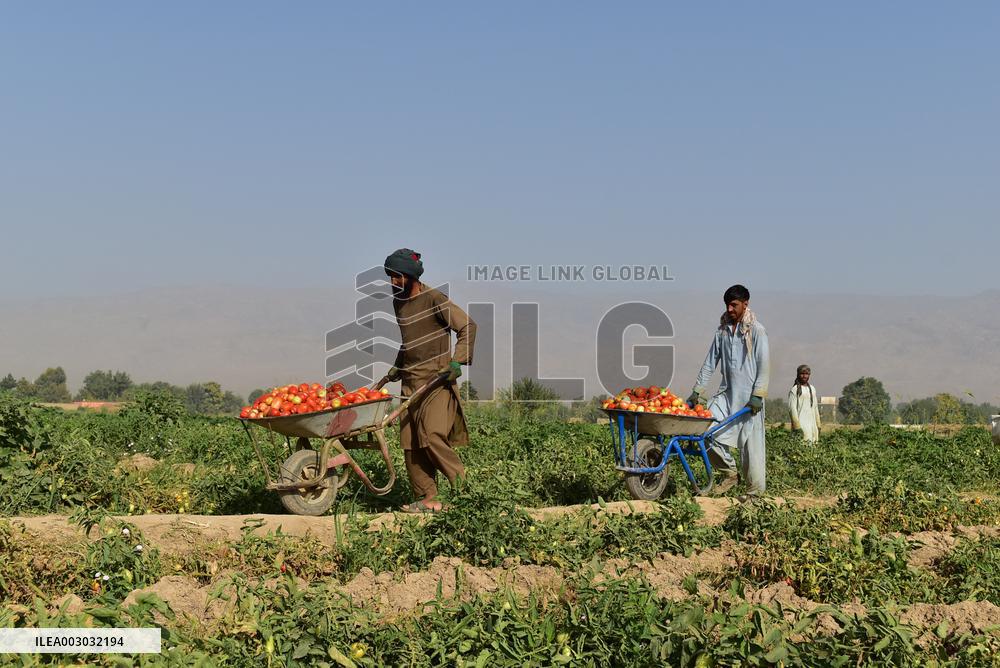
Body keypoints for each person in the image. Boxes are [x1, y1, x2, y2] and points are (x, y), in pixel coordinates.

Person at [383, 248, 476, 513]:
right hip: (410, 381)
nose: (393, 283)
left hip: (436, 379)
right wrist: (396, 366)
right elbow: (410, 341)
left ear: (411, 277)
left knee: (432, 435)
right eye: (390, 277)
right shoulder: (398, 302)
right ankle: (427, 498)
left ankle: (466, 494)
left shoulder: (435, 298)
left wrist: (456, 362)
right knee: (410, 441)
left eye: (398, 277)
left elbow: (468, 326)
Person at [687, 284, 770, 497]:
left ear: (745, 304)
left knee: (751, 448)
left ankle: (755, 493)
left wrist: (758, 395)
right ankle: (729, 472)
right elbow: (710, 362)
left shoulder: (757, 330)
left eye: (734, 305)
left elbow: (764, 364)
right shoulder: (722, 331)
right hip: (727, 393)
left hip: (749, 398)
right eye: (727, 305)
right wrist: (697, 391)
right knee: (705, 432)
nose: (730, 309)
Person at [788, 364, 821, 443]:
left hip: (813, 426)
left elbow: (815, 408)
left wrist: (818, 425)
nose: (804, 376)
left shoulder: (812, 389)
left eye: (806, 374)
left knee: (813, 450)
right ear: (798, 374)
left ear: (809, 375)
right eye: (802, 374)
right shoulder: (794, 390)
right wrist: (797, 427)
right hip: (801, 426)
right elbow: (792, 409)